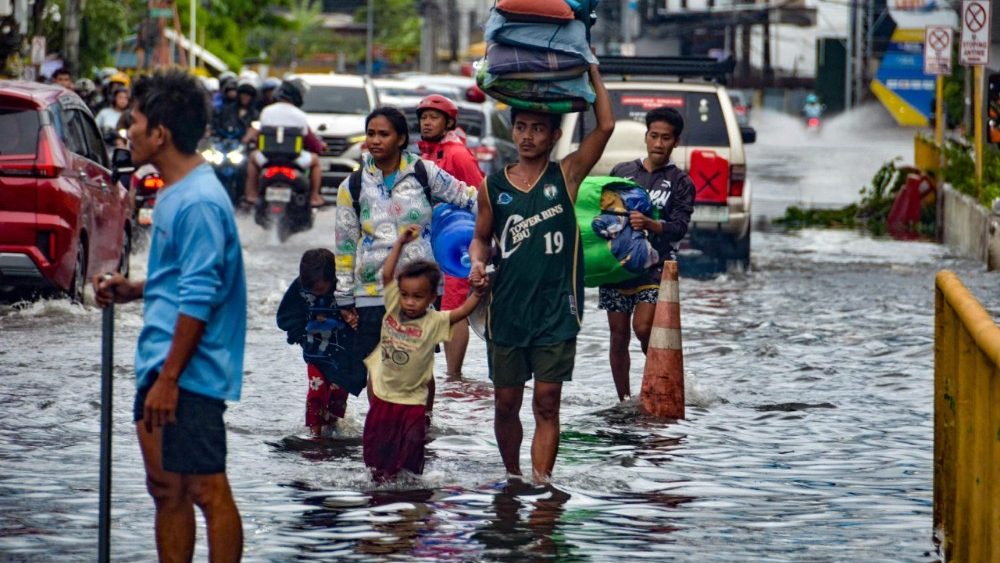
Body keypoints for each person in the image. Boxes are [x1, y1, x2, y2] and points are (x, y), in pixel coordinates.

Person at [92, 69, 246, 562]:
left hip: (189, 371)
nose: (128, 132)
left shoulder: (198, 201)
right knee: (165, 488)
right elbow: (184, 277)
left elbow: (201, 295)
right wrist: (136, 289)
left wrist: (170, 379)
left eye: (134, 122)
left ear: (160, 133)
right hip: (163, 361)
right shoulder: (176, 191)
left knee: (206, 489)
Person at [468, 64, 614, 483]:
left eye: (537, 129)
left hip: (556, 309)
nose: (527, 136)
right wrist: (477, 263)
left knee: (547, 402)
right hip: (507, 310)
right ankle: (513, 479)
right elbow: (481, 238)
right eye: (521, 127)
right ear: (512, 132)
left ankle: (541, 485)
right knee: (506, 404)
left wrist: (592, 71)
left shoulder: (566, 175)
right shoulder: (493, 187)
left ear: (553, 136)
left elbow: (605, 127)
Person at [333, 106, 478, 417]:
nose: (375, 140)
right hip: (372, 292)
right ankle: (382, 425)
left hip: (420, 289)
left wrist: (491, 234)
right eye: (371, 134)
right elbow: (344, 245)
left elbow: (469, 198)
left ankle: (422, 425)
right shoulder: (353, 186)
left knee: (420, 364)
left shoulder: (424, 173)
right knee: (379, 364)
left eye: (383, 134)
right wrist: (344, 296)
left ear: (400, 139)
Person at [363, 226, 483, 481]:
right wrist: (400, 243)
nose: (409, 302)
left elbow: (462, 312)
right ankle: (381, 487)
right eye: (405, 295)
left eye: (417, 297)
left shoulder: (434, 321)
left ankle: (411, 494)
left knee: (412, 458)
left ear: (431, 298)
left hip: (413, 404)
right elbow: (387, 275)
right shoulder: (393, 306)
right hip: (384, 399)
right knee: (377, 458)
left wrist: (478, 292)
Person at [602, 106, 695, 402]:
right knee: (618, 337)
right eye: (654, 136)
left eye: (666, 138)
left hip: (657, 268)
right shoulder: (623, 173)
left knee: (643, 328)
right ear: (645, 137)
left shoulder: (681, 182)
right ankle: (624, 400)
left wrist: (651, 224)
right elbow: (604, 213)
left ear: (675, 142)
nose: (658, 143)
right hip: (618, 267)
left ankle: (663, 382)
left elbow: (679, 228)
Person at [416, 94, 484, 380]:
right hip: (433, 242)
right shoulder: (425, 154)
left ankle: (454, 377)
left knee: (453, 308)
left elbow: (481, 195)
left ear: (448, 123)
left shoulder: (457, 154)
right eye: (423, 117)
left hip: (458, 243)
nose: (427, 122)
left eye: (434, 118)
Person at [276, 248, 364, 437]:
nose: (315, 293)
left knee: (338, 395)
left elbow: (364, 313)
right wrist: (299, 336)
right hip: (316, 353)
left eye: (320, 289)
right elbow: (286, 315)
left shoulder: (346, 288)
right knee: (316, 392)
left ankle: (332, 428)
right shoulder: (300, 287)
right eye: (311, 289)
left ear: (332, 279)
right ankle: (315, 435)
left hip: (344, 356)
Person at [244, 78, 326, 208]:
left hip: (268, 159)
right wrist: (320, 148)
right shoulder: (300, 115)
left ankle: (251, 193)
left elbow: (260, 137)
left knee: (252, 158)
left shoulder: (266, 111)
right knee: (315, 161)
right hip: (294, 160)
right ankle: (314, 196)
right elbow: (310, 141)